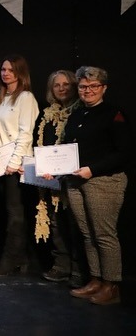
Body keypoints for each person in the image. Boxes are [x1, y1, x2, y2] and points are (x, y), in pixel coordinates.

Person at [48, 66, 131, 306]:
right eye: (83, 86)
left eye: (94, 86)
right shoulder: (77, 114)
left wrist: (92, 169)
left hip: (104, 182)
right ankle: (96, 279)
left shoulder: (114, 113)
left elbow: (124, 152)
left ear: (103, 88)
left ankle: (111, 285)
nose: (88, 90)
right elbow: (66, 149)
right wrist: (53, 168)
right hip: (76, 181)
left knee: (104, 235)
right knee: (87, 234)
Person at [0, 55, 39, 277]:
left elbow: (26, 134)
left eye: (11, 70)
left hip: (14, 164)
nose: (6, 73)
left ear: (20, 73)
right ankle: (20, 258)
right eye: (3, 69)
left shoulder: (25, 98)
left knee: (15, 213)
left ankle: (9, 261)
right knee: (4, 212)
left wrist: (14, 162)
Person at [35, 70, 82, 285]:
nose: (62, 88)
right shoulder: (47, 115)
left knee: (75, 224)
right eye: (57, 85)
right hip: (51, 179)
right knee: (55, 222)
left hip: (75, 178)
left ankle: (79, 269)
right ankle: (61, 266)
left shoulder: (80, 112)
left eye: (66, 84)